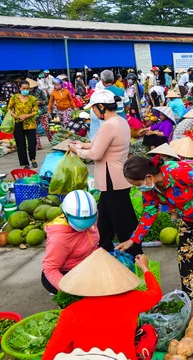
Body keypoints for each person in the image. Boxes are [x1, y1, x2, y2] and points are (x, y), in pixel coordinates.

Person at [120, 155, 193, 313]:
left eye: (136, 184)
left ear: (148, 177)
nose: (137, 188)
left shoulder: (178, 171)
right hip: (188, 214)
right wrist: (134, 239)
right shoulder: (151, 188)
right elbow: (149, 213)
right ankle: (189, 297)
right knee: (184, 255)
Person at [41, 249, 162, 360]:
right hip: (123, 357)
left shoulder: (70, 311)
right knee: (148, 331)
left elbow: (51, 352)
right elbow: (156, 293)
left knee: (65, 344)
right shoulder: (131, 299)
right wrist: (144, 267)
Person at [70, 90, 141, 257]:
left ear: (101, 107)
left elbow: (95, 154)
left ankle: (135, 255)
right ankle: (103, 249)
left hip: (112, 179)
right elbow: (94, 145)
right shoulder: (120, 121)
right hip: (118, 177)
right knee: (105, 220)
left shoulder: (109, 125)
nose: (92, 112)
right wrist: (80, 145)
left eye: (93, 108)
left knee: (123, 220)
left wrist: (76, 150)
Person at [41, 190, 99, 294]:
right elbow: (50, 268)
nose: (84, 227)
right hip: (69, 272)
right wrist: (68, 288)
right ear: (66, 215)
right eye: (80, 223)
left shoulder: (91, 217)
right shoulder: (59, 238)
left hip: (88, 265)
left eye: (87, 222)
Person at [8, 80, 39, 169]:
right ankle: (25, 163)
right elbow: (9, 109)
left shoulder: (32, 99)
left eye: (27, 88)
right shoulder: (14, 98)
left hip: (30, 123)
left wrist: (27, 116)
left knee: (32, 142)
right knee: (20, 144)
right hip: (18, 123)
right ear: (20, 88)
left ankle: (33, 159)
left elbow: (35, 111)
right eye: (24, 88)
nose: (25, 90)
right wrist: (14, 115)